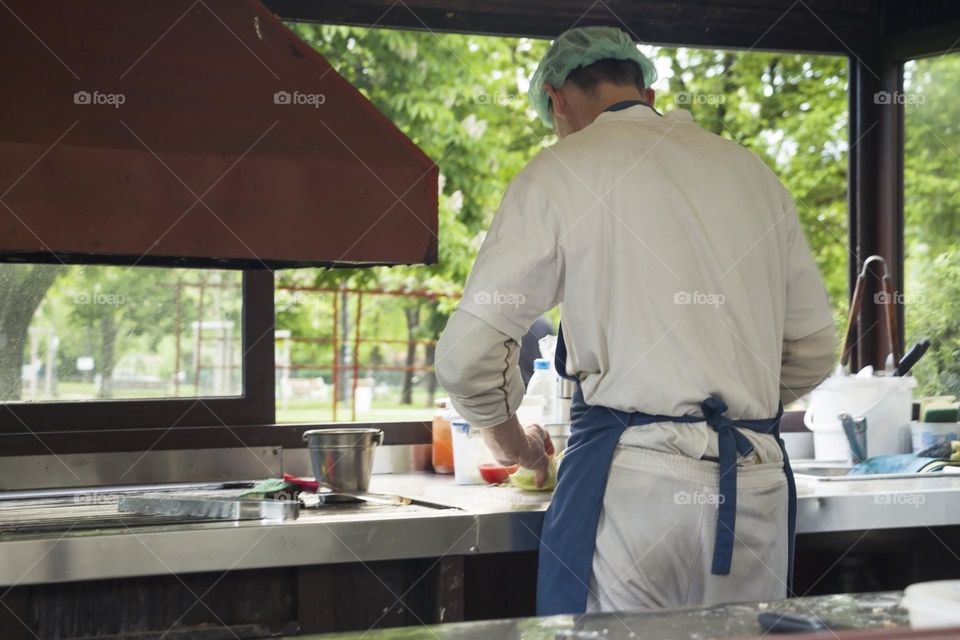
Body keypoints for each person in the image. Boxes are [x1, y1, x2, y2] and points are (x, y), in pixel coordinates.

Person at [435, 26, 835, 616]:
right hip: (755, 486)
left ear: (556, 100)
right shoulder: (753, 174)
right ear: (646, 92)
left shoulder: (562, 169)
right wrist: (727, 398)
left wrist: (519, 450)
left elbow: (467, 357)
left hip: (637, 496)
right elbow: (814, 347)